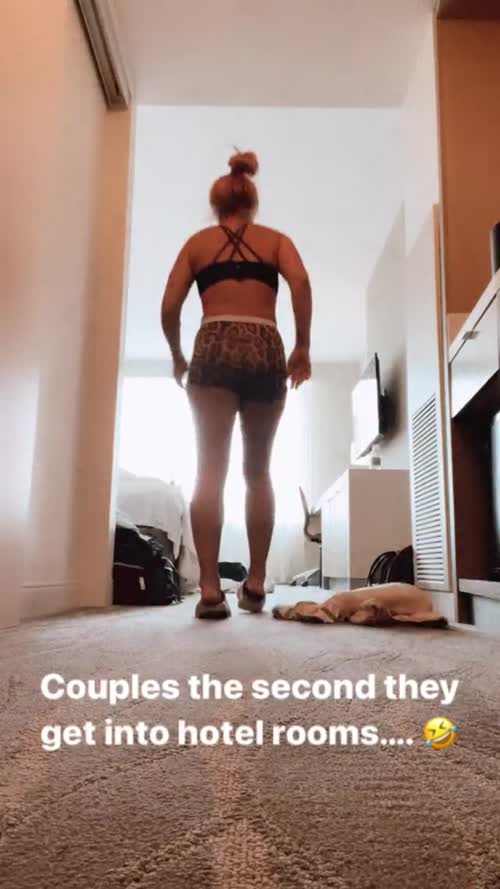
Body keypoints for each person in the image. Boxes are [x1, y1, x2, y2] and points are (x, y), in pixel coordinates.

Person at [161, 151, 312, 619]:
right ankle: (257, 581)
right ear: (252, 200)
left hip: (214, 345)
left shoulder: (197, 244)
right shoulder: (276, 241)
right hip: (265, 345)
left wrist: (178, 354)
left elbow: (169, 306)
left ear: (216, 203)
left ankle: (209, 588)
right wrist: (302, 346)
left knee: (210, 471)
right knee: (258, 472)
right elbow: (301, 283)